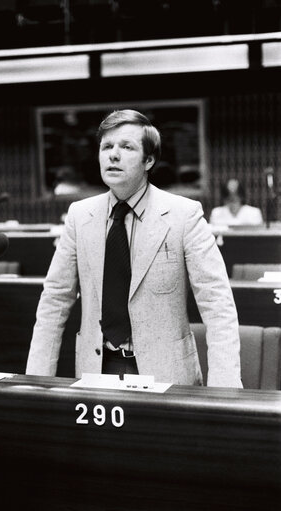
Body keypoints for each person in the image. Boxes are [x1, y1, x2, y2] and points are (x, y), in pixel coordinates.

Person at [26, 109, 242, 388]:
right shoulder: (80, 216)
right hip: (96, 371)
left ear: (149, 160)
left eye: (126, 147)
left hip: (167, 375)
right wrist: (34, 382)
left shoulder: (184, 215)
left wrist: (224, 390)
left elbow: (217, 304)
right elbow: (54, 301)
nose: (113, 155)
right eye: (106, 146)